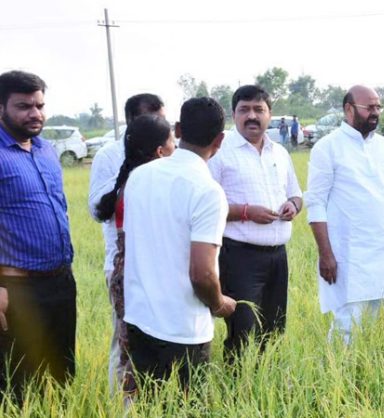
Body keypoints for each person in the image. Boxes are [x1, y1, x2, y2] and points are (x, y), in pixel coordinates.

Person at [122, 97, 236, 390]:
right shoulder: (208, 192)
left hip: (139, 319)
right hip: (184, 328)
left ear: (178, 129)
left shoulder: (139, 176)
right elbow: (202, 273)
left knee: (148, 406)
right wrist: (219, 303)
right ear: (220, 140)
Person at [304, 85, 384, 343]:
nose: (376, 112)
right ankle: (338, 379)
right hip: (350, 253)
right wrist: (326, 254)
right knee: (348, 324)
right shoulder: (327, 147)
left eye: (378, 107)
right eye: (370, 107)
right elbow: (316, 204)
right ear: (349, 109)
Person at [207, 85, 302, 365]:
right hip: (239, 256)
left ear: (269, 115)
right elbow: (207, 207)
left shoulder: (280, 153)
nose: (252, 116)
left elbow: (296, 194)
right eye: (244, 110)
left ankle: (266, 383)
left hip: (277, 256)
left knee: (274, 328)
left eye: (258, 110)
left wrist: (293, 206)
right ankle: (237, 389)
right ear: (233, 115)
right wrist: (247, 212)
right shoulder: (220, 154)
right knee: (243, 329)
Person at [0, 70, 77, 402]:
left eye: (39, 105)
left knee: (62, 372)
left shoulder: (45, 150)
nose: (35, 114)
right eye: (23, 106)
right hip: (16, 290)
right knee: (17, 382)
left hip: (60, 282)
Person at [87, 93, 165, 391]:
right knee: (125, 343)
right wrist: (130, 176)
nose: (161, 126)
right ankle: (121, 405)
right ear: (133, 121)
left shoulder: (166, 153)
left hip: (162, 266)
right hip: (125, 266)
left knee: (158, 342)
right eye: (152, 119)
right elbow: (98, 209)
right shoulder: (110, 155)